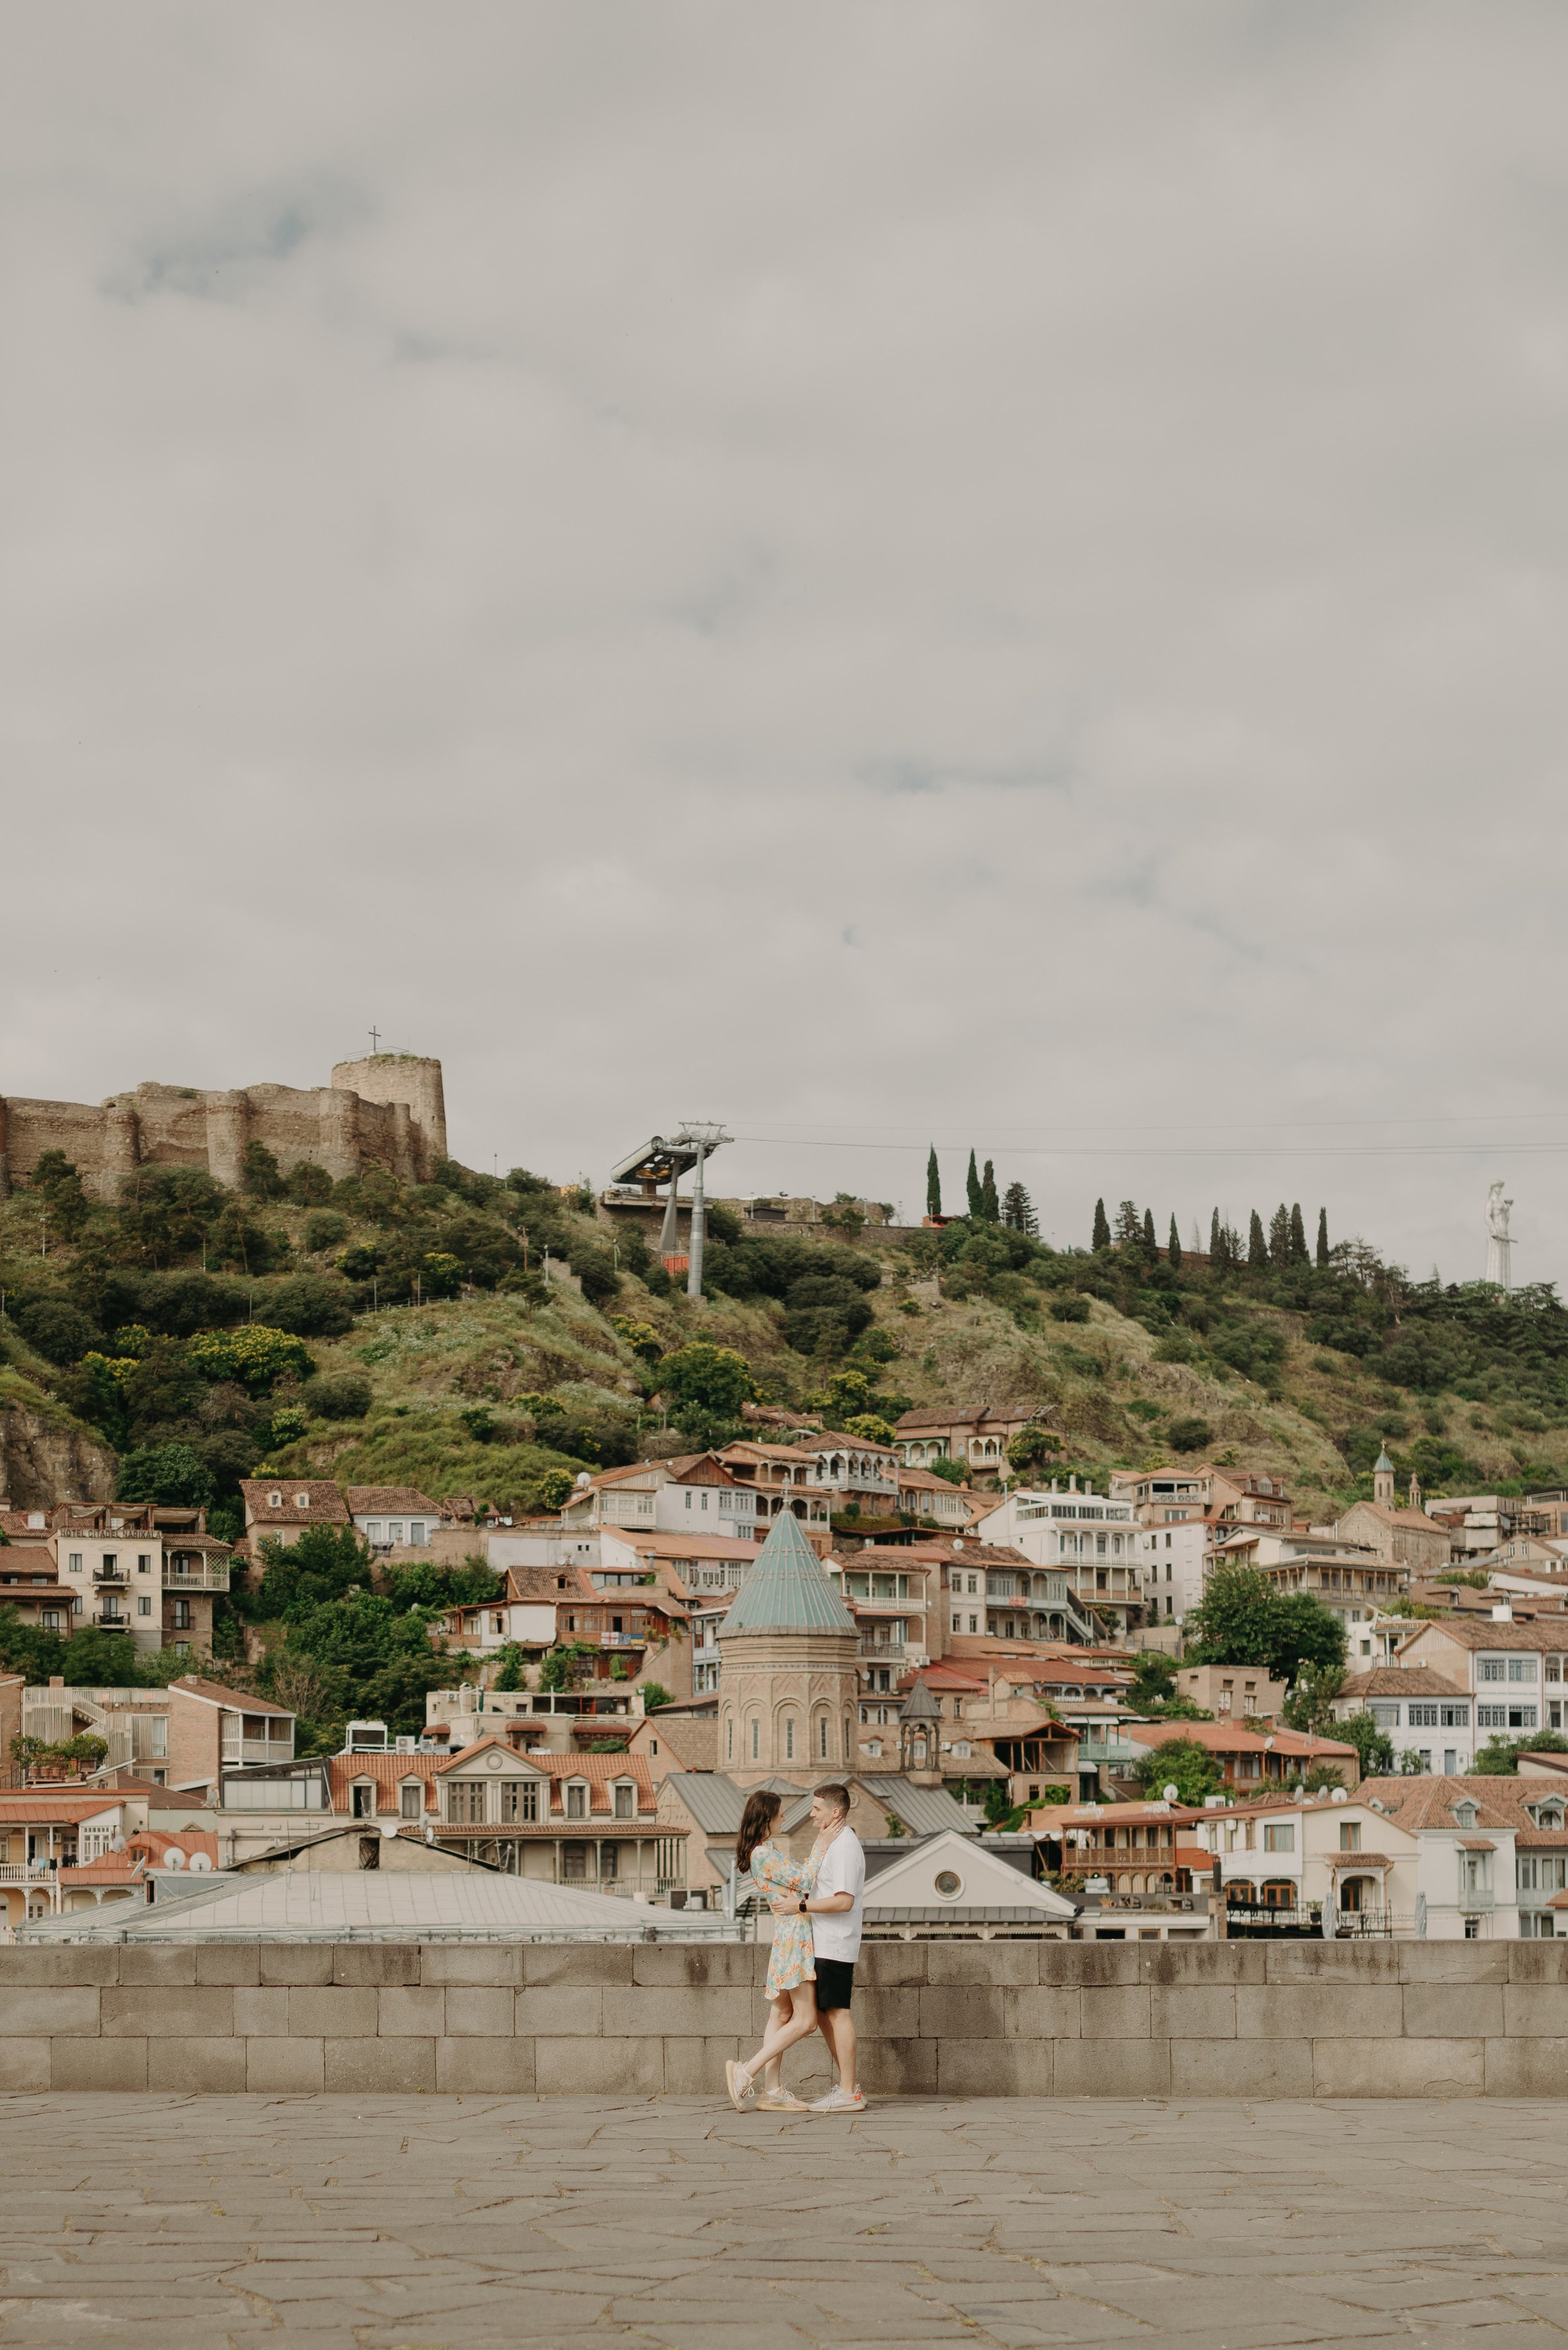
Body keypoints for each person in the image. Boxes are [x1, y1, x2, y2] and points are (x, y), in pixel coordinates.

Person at [724, 1790, 825, 2114]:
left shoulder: (763, 1851)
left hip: (788, 1937)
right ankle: (747, 2072)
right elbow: (806, 1877)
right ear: (767, 1818)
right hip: (795, 1938)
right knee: (807, 2020)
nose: (785, 1819)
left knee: (781, 2014)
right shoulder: (763, 1855)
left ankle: (772, 2090)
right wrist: (821, 1844)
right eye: (780, 1814)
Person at [797, 1782, 865, 2115]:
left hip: (835, 1943)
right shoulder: (834, 1843)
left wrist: (801, 1907)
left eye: (817, 1809)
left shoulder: (844, 1848)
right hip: (824, 1941)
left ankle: (849, 2092)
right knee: (828, 2014)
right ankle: (848, 2086)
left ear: (835, 1812)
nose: (811, 1814)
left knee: (838, 2014)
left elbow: (844, 1901)